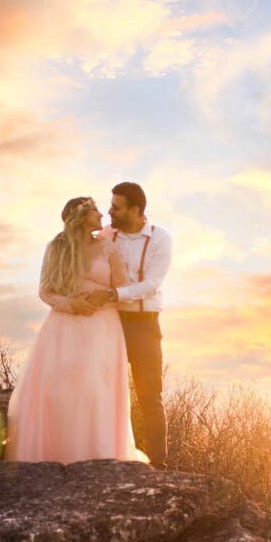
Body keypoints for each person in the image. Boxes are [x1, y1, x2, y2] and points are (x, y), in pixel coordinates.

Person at [5, 196, 148, 465]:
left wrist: (103, 296)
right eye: (95, 210)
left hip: (102, 326)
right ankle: (55, 455)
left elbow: (123, 288)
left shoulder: (108, 249)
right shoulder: (56, 248)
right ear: (80, 215)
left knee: (96, 387)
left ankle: (100, 453)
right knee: (61, 388)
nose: (102, 214)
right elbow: (45, 291)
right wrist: (72, 305)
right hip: (63, 327)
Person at [96, 182, 172, 468]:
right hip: (109, 322)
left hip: (143, 325)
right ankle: (106, 458)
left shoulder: (161, 238)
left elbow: (152, 284)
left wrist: (116, 294)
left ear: (135, 210)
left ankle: (158, 466)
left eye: (116, 207)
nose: (109, 211)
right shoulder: (105, 236)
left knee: (149, 395)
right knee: (103, 390)